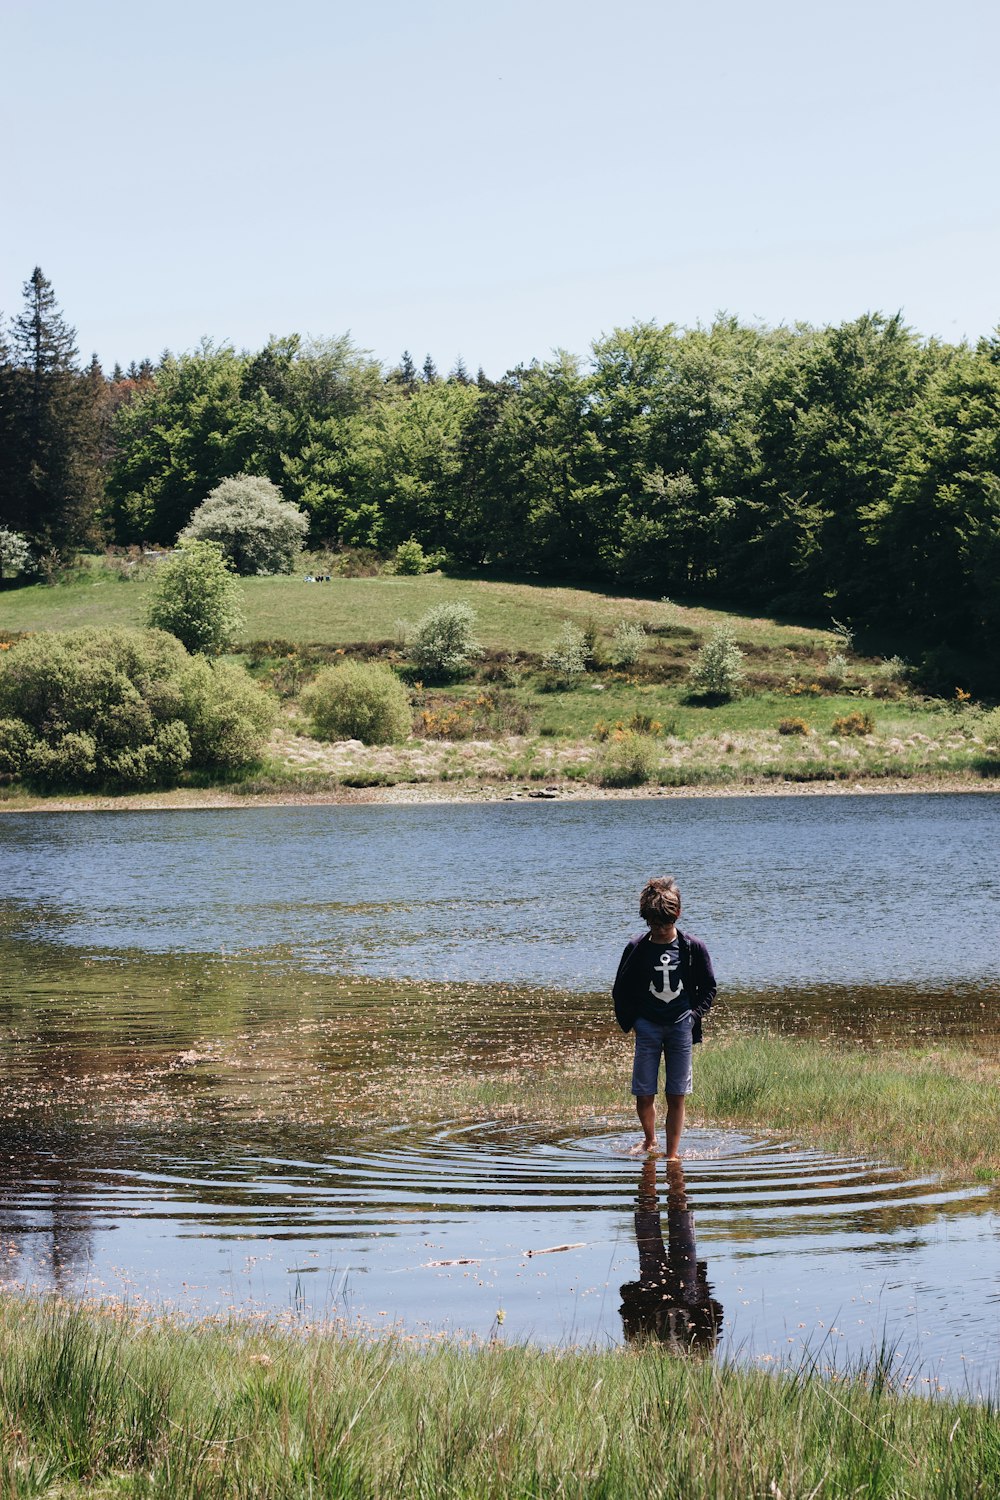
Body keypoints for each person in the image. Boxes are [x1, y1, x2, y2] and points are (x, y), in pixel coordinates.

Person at [612, 875, 716, 1157]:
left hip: (681, 1026)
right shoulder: (637, 948)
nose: (658, 930)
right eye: (653, 924)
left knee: (676, 1095)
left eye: (664, 923)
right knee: (644, 1093)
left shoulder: (693, 948)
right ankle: (649, 1140)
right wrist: (634, 1022)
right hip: (647, 1026)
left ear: (677, 914)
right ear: (646, 919)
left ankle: (672, 1155)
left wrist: (693, 1018)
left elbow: (709, 987)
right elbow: (620, 989)